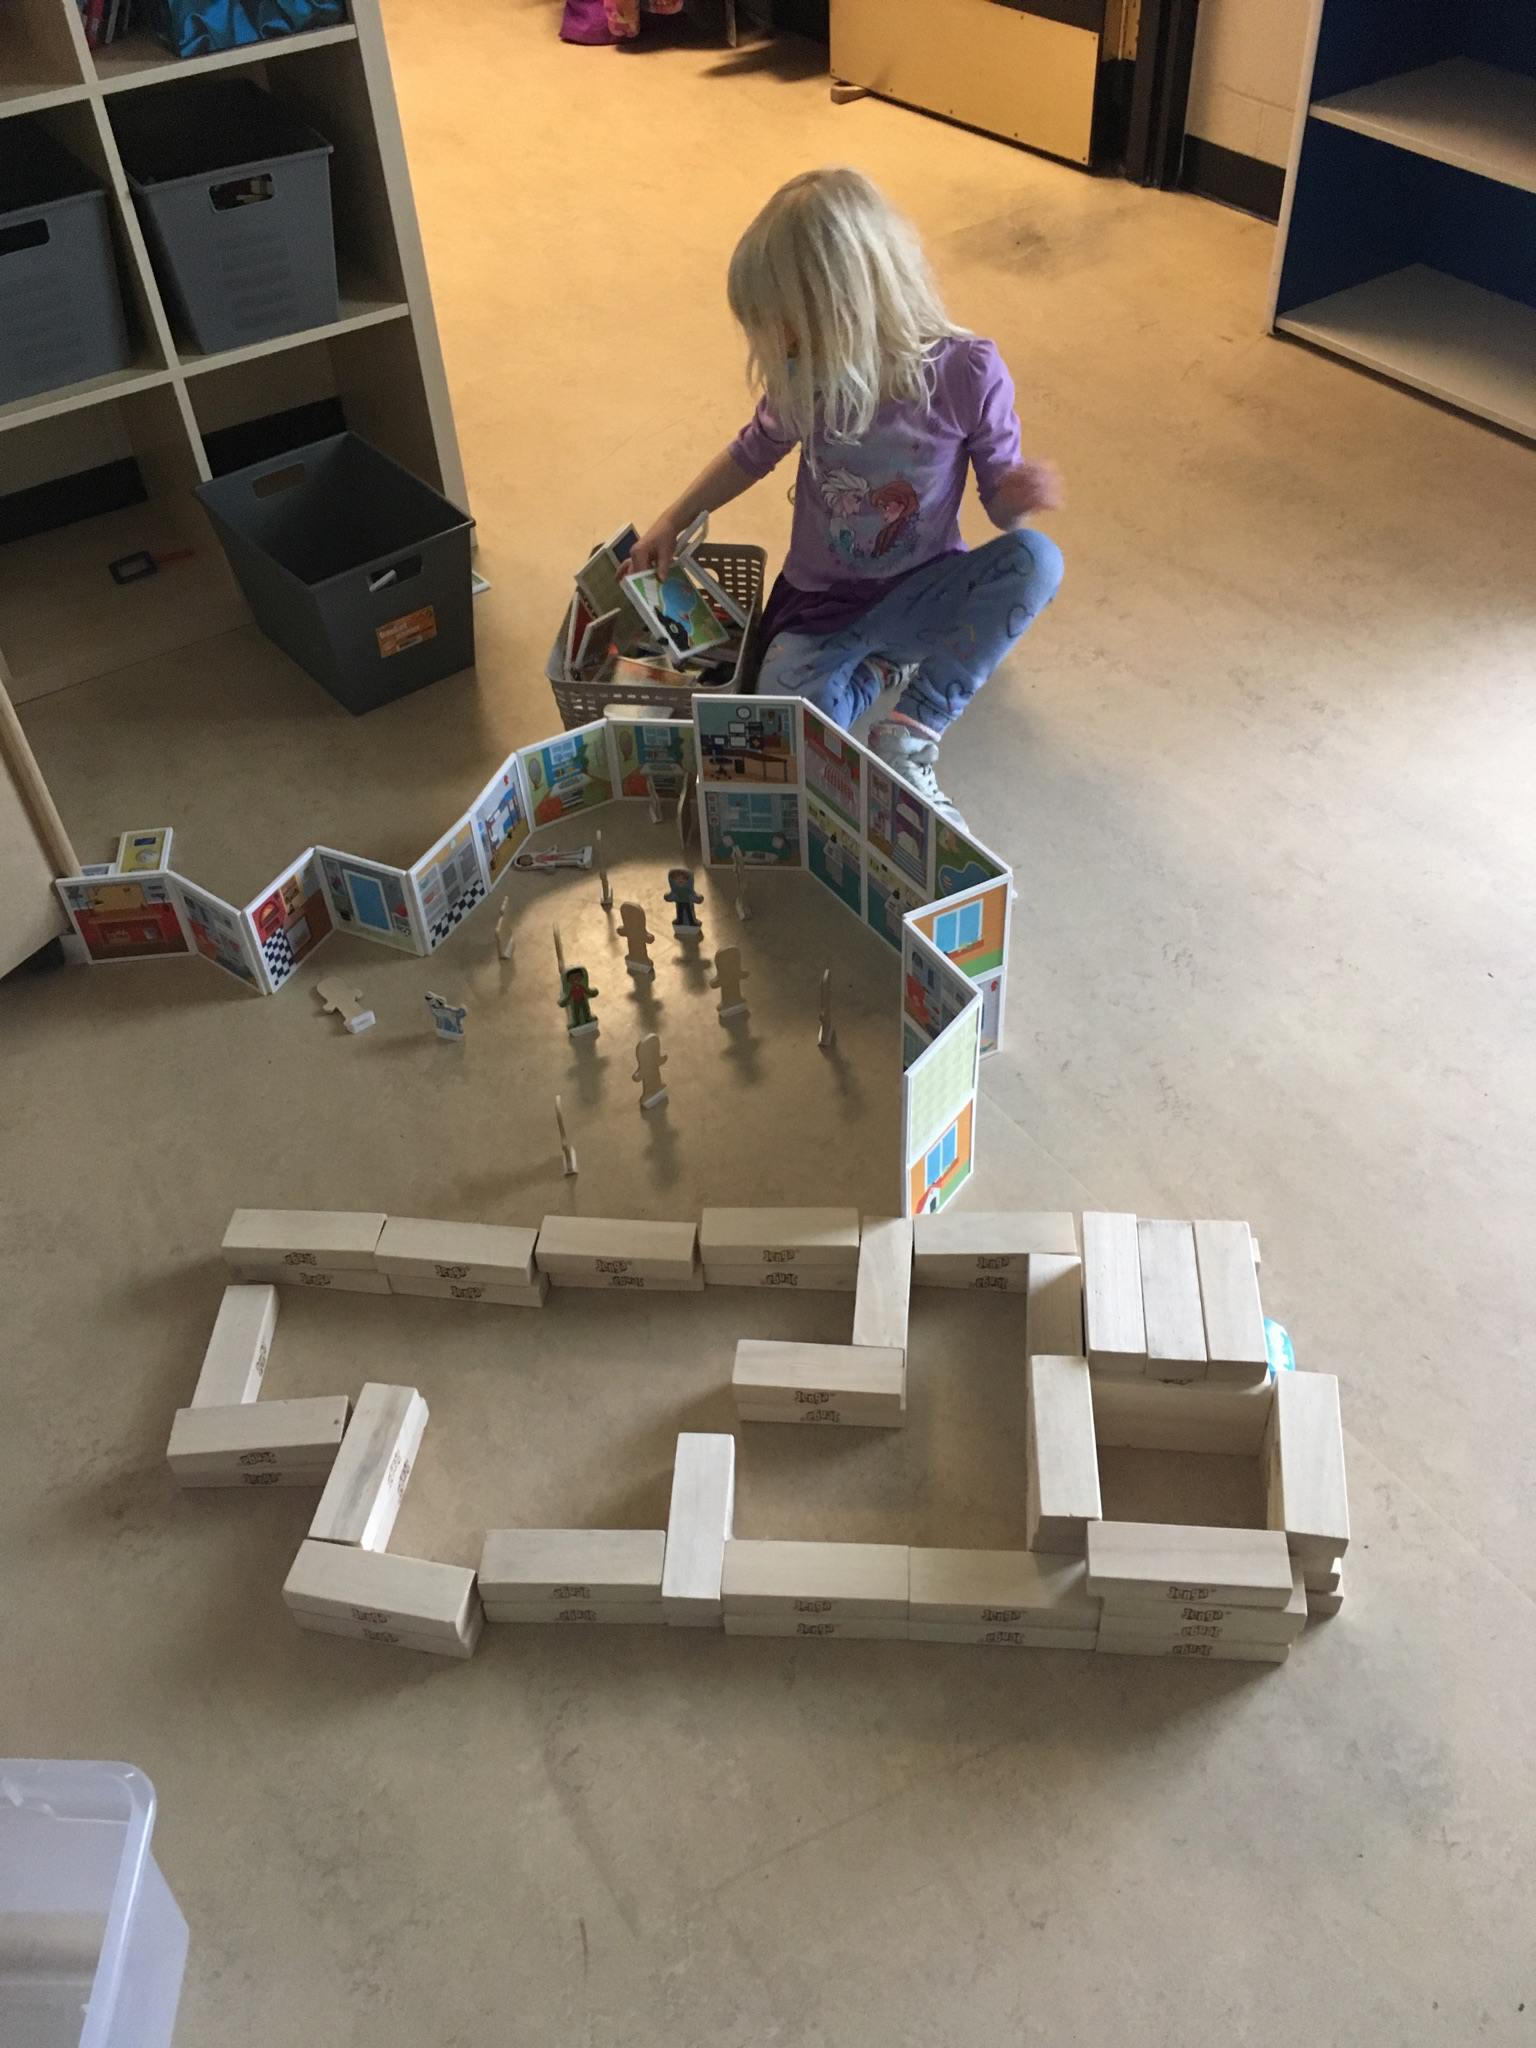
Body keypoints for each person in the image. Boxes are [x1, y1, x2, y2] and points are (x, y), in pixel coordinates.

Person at [627, 167, 1063, 828]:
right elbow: (751, 451)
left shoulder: (968, 371)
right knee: (785, 734)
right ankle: (876, 672)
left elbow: (1001, 512)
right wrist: (672, 518)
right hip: (822, 608)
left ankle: (913, 730)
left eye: (788, 327)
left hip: (923, 590)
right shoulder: (808, 377)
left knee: (1036, 561)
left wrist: (1016, 495)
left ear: (848, 303)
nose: (781, 346)